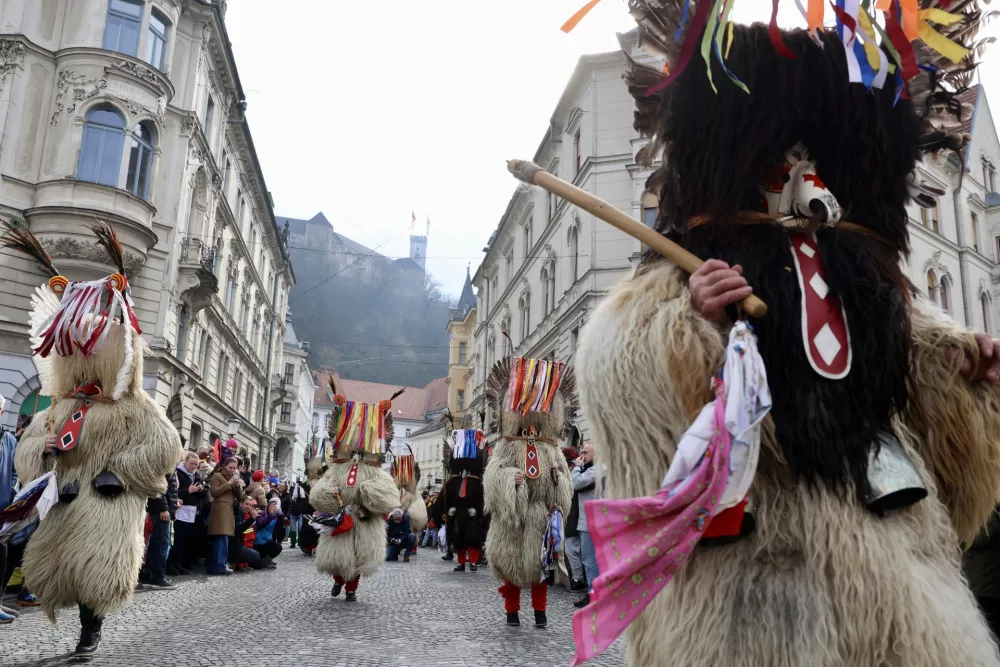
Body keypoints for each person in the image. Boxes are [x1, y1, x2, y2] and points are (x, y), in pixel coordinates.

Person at [566, 3, 1000, 665]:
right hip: (751, 581)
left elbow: (931, 419)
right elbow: (618, 370)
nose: (806, 184)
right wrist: (693, 325)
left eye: (818, 163)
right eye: (783, 163)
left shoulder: (869, 284)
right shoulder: (678, 280)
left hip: (893, 574)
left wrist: (965, 372)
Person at [8, 222, 181, 656]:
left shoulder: (136, 406)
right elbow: (27, 447)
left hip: (108, 502)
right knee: (57, 569)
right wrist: (40, 450)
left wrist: (119, 469)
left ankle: (91, 629)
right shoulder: (59, 407)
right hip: (64, 498)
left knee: (97, 571)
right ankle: (83, 622)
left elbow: (166, 445)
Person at [483, 357, 573, 629]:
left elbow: (565, 492)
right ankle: (512, 612)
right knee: (510, 567)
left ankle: (540, 612)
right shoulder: (506, 446)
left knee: (540, 570)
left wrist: (558, 480)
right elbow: (492, 478)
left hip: (541, 519)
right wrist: (512, 480)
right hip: (513, 519)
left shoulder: (552, 449)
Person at [309, 380, 400, 601]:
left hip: (365, 521)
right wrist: (327, 493)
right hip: (340, 520)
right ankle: (338, 581)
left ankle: (351, 590)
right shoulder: (336, 468)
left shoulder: (375, 471)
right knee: (337, 559)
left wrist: (371, 493)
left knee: (359, 558)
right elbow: (319, 493)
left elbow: (388, 498)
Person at [446, 427, 487, 573]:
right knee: (459, 539)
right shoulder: (456, 479)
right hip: (459, 513)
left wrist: (478, 512)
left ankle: (473, 562)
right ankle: (462, 563)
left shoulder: (476, 481)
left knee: (473, 539)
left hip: (472, 515)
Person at [570, 443, 598, 608]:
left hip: (590, 522)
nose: (582, 456)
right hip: (589, 521)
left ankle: (593, 594)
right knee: (590, 559)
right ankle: (593, 592)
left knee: (589, 560)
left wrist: (576, 468)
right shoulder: (593, 469)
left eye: (586, 452)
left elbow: (574, 484)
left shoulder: (596, 469)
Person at [169, 452, 206, 576]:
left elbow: (201, 496)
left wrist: (201, 490)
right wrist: (188, 490)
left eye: (196, 464)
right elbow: (175, 492)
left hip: (191, 510)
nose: (194, 466)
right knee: (177, 539)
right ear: (185, 462)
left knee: (185, 539)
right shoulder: (178, 473)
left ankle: (179, 563)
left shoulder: (196, 475)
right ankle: (171, 564)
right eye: (191, 464)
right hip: (181, 509)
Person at [141, 469, 179, 589]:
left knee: (156, 543)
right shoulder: (165, 462)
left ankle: (150, 575)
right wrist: (164, 508)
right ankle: (158, 577)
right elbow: (158, 487)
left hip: (162, 509)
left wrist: (171, 510)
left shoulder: (168, 462)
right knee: (161, 543)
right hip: (160, 510)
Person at [207, 457, 244, 575]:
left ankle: (219, 564)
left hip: (229, 511)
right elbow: (214, 492)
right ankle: (218, 565)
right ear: (225, 466)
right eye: (230, 467)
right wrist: (228, 484)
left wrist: (238, 486)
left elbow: (240, 497)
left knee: (224, 538)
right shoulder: (217, 476)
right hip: (220, 511)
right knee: (221, 537)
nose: (232, 470)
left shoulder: (233, 478)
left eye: (234, 468)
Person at [230, 496, 263, 570]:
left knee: (258, 562)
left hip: (247, 542)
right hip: (233, 545)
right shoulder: (238, 513)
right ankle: (235, 563)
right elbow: (239, 530)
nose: (248, 507)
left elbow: (252, 529)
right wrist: (252, 518)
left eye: (250, 505)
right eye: (246, 504)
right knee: (255, 556)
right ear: (241, 504)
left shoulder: (245, 513)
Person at [254, 497, 284, 568]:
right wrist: (270, 515)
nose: (273, 507)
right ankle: (264, 561)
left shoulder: (275, 517)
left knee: (278, 547)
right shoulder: (261, 514)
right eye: (272, 505)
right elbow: (260, 525)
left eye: (275, 506)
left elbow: (278, 529)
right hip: (258, 543)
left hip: (268, 541)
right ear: (268, 506)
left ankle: (267, 560)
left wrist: (281, 517)